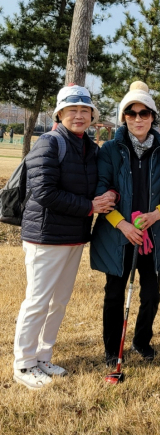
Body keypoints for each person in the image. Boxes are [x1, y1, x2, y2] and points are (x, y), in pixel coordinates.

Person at [13, 84, 115, 389]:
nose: (80, 116)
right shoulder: (48, 144)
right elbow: (44, 192)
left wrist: (107, 194)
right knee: (37, 301)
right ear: (60, 113)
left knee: (59, 302)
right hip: (45, 237)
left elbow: (97, 184)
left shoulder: (90, 148)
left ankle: (43, 355)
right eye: (73, 110)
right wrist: (90, 206)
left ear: (93, 116)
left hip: (73, 237)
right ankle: (23, 363)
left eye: (85, 110)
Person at [90, 81, 160, 366]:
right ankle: (112, 349)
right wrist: (123, 225)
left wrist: (156, 215)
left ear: (153, 117)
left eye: (144, 113)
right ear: (123, 117)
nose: (138, 119)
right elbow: (100, 192)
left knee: (151, 294)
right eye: (132, 113)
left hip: (151, 235)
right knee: (114, 294)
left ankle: (142, 341)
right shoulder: (110, 151)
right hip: (118, 235)